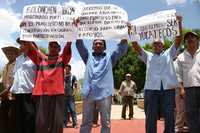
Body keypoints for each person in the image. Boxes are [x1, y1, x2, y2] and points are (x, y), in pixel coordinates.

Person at [131, 16, 182, 133]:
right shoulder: (148, 55)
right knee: (150, 118)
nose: (156, 46)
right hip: (151, 89)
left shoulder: (169, 53)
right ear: (152, 46)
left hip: (168, 89)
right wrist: (131, 31)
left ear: (163, 46)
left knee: (169, 117)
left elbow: (178, 39)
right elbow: (135, 45)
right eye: (154, 44)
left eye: (159, 44)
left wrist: (179, 23)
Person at [18, 38, 72, 133]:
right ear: (48, 47)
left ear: (59, 49)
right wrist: (26, 35)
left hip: (58, 94)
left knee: (57, 123)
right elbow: (32, 48)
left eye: (56, 46)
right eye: (51, 45)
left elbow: (68, 47)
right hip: (42, 94)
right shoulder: (40, 59)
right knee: (41, 123)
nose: (53, 48)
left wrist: (70, 37)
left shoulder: (62, 60)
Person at [76, 38, 128, 133]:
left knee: (106, 123)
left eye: (100, 44)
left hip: (105, 94)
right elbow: (80, 46)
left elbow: (120, 49)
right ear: (92, 46)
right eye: (96, 44)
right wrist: (77, 30)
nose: (98, 45)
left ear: (104, 47)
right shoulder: (87, 57)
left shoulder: (110, 58)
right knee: (86, 122)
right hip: (89, 93)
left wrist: (125, 36)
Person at [10, 39, 36, 133]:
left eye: (24, 43)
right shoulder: (18, 59)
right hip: (17, 93)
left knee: (30, 117)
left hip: (29, 93)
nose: (21, 45)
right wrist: (12, 91)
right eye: (21, 43)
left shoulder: (35, 58)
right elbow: (15, 75)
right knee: (18, 120)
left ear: (30, 44)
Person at [175, 31, 200, 133]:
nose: (190, 39)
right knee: (191, 114)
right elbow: (178, 75)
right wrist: (181, 89)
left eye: (192, 37)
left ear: (197, 40)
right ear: (185, 42)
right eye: (187, 38)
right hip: (188, 90)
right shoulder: (180, 57)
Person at [0, 46, 20, 133]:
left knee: (12, 118)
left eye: (11, 53)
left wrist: (6, 91)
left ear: (16, 55)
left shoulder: (17, 65)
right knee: (3, 118)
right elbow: (2, 80)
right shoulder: (5, 66)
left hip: (13, 96)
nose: (9, 55)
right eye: (7, 53)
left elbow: (16, 81)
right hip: (4, 96)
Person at [63, 64, 78, 128]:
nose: (66, 70)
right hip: (63, 96)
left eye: (67, 69)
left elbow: (75, 85)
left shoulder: (73, 77)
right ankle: (64, 124)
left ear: (70, 69)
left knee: (73, 110)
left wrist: (74, 93)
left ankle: (74, 124)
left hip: (70, 96)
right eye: (65, 69)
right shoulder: (62, 77)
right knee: (64, 111)